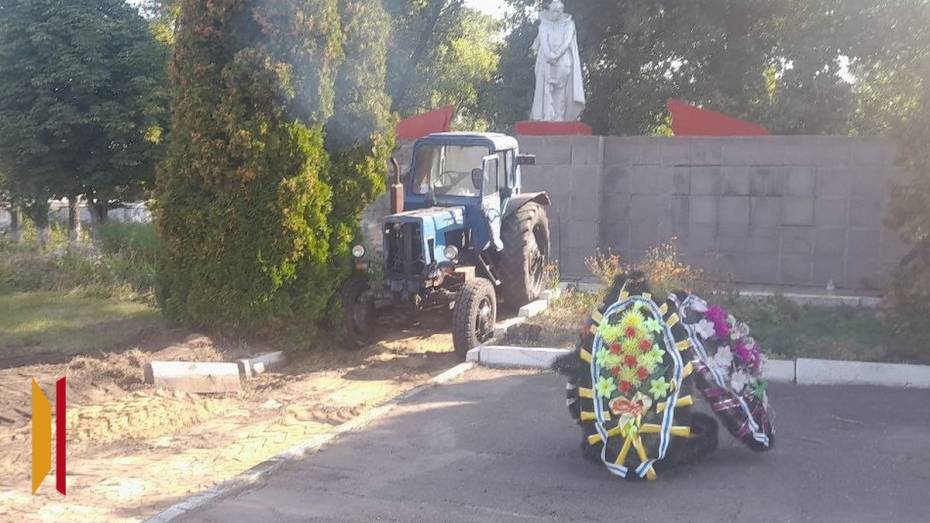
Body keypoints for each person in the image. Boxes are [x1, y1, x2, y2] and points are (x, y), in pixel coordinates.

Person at [530, 0, 586, 122]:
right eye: (554, 11)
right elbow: (543, 41)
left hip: (563, 60)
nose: (557, 14)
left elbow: (567, 41)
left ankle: (559, 116)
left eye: (559, 11)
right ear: (549, 10)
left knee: (561, 89)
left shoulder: (569, 24)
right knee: (546, 88)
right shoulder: (543, 25)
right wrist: (550, 55)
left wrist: (557, 55)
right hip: (547, 61)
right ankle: (547, 115)